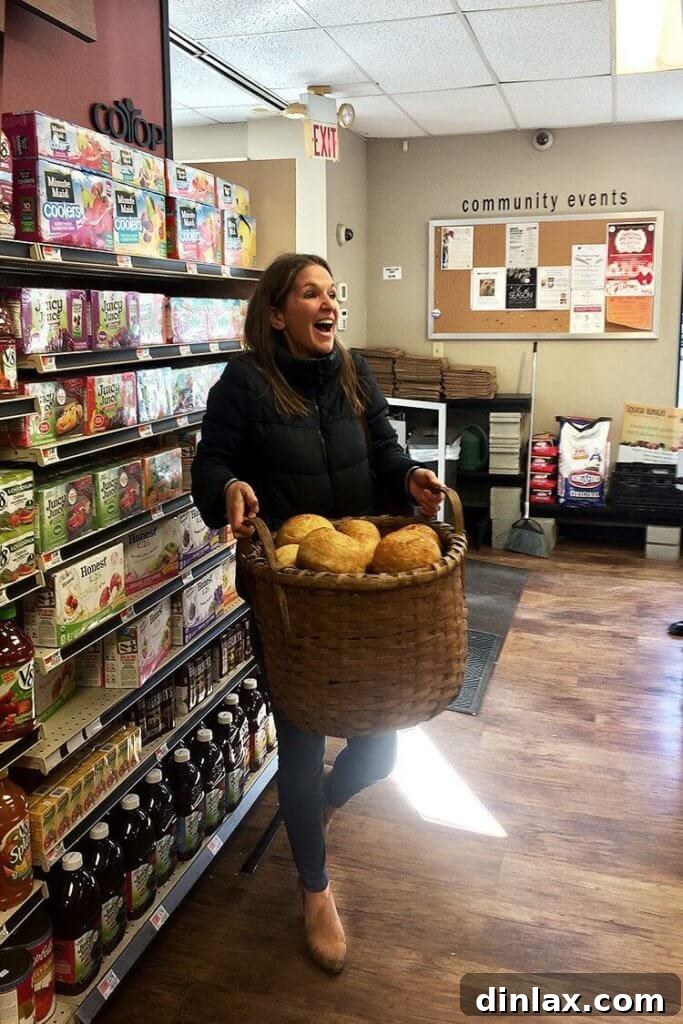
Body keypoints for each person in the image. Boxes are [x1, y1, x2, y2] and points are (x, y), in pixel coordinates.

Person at [192, 252, 444, 974]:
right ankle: (314, 888)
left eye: (333, 292)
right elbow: (211, 465)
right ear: (277, 313)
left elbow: (386, 451)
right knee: (299, 740)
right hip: (292, 597)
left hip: (362, 587)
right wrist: (231, 487)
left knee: (382, 743)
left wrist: (409, 476)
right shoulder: (244, 382)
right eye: (310, 293)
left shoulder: (352, 372)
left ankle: (313, 816)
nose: (327, 303)